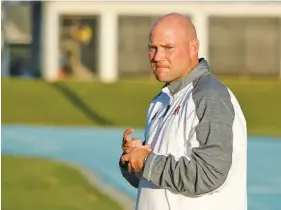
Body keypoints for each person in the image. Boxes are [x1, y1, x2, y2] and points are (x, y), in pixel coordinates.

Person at [119, 13, 247, 210]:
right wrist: (133, 159)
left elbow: (209, 174)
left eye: (168, 48)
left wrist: (146, 162)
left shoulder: (209, 96)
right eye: (152, 48)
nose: (157, 56)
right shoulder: (161, 101)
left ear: (193, 47)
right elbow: (155, 181)